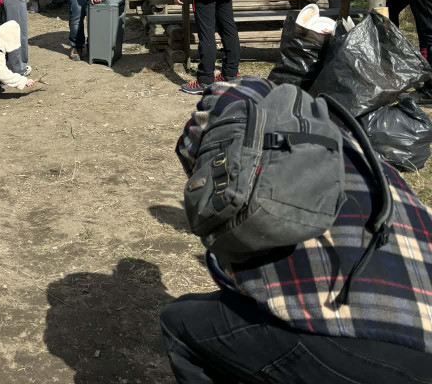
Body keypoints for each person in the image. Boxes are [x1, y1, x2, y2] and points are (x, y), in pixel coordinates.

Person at [163, 78, 432, 383]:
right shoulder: (352, 147)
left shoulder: (247, 155)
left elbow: (199, 171)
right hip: (424, 341)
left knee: (180, 324)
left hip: (359, 350)